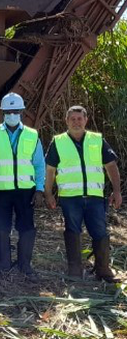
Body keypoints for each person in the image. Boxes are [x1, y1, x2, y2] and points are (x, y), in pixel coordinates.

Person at [44, 105, 122, 282]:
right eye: (72, 119)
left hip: (94, 197)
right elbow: (50, 170)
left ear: (86, 120)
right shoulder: (58, 142)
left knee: (100, 231)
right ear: (66, 121)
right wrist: (48, 193)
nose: (76, 122)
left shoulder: (97, 140)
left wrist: (116, 191)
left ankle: (103, 270)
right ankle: (75, 271)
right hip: (70, 198)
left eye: (80, 119)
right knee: (72, 231)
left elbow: (111, 166)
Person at [0, 93, 45, 280]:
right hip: (1, 190)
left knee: (26, 226)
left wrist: (40, 189)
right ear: (3, 113)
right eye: (8, 111)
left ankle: (25, 264)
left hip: (26, 190)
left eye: (15, 111)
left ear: (22, 113)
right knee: (1, 225)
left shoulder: (32, 135)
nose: (12, 115)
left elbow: (39, 164)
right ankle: (4, 263)